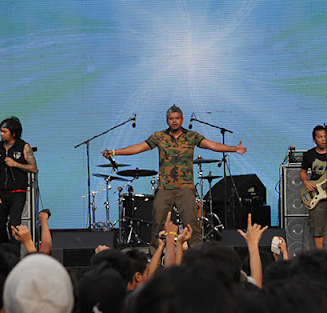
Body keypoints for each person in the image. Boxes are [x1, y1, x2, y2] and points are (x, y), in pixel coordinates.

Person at [102, 105, 246, 252]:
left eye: (177, 118)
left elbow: (212, 145)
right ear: (167, 121)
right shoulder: (159, 136)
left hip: (185, 188)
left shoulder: (191, 136)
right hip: (165, 188)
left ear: (182, 120)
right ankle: (155, 254)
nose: (174, 121)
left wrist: (234, 148)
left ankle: (197, 255)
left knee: (191, 224)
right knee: (158, 223)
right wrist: (114, 152)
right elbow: (138, 148)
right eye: (171, 119)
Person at [0, 116, 38, 253]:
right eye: (1, 131)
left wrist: (16, 164)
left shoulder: (24, 146)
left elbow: (34, 168)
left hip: (18, 192)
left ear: (13, 133)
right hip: (2, 193)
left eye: (4, 131)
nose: (1, 134)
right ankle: (4, 251)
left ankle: (14, 255)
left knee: (13, 225)